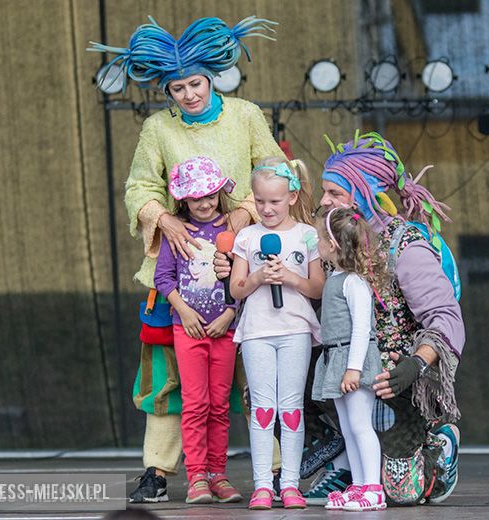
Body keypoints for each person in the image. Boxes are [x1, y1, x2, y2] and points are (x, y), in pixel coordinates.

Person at [88, 16, 284, 503]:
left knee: (257, 371)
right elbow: (139, 186)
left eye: (195, 83)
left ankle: (278, 469)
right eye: (177, 87)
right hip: (176, 272)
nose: (189, 94)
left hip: (243, 267)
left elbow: (276, 169)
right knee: (168, 376)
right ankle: (158, 470)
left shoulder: (244, 115)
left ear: (212, 77)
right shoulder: (157, 129)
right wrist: (164, 220)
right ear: (167, 90)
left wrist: (243, 214)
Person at [304, 131, 466, 506]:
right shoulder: (326, 241)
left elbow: (446, 317)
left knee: (402, 493)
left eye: (335, 193)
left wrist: (415, 364)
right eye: (324, 191)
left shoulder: (404, 246)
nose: (325, 200)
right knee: (271, 387)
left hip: (390, 383)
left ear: (363, 195)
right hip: (341, 368)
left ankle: (439, 445)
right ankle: (346, 464)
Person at [228, 158, 324, 510]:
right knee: (263, 409)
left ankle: (291, 484)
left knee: (292, 408)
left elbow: (317, 288)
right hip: (256, 331)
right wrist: (256, 278)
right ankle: (262, 485)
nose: (267, 209)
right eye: (260, 201)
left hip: (295, 329)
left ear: (293, 197)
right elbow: (237, 289)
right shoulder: (248, 237)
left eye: (275, 201)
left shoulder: (306, 235)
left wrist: (291, 278)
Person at [153, 156, 241, 503]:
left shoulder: (232, 231)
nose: (205, 203)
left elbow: (242, 279)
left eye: (211, 195)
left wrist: (231, 312)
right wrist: (184, 311)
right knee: (195, 404)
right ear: (183, 200)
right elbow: (163, 278)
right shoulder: (176, 231)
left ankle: (218, 474)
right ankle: (197, 478)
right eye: (196, 197)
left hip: (224, 331)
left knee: (219, 405)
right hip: (186, 330)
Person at [311, 207, 388, 512]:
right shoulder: (336, 277)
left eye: (319, 237)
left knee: (360, 426)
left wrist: (353, 368)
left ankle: (373, 489)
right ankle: (358, 485)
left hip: (351, 360)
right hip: (336, 358)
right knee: (348, 429)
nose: (316, 243)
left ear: (332, 244)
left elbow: (361, 330)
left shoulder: (354, 282)